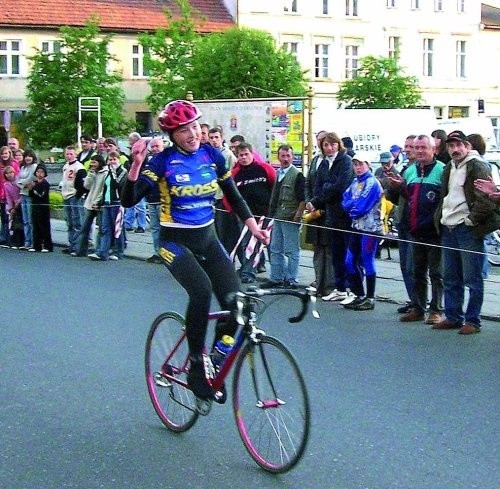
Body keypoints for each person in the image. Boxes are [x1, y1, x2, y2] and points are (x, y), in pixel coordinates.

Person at [121, 100, 269, 400]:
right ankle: (196, 367)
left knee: (237, 303)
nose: (191, 134)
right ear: (171, 134)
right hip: (174, 242)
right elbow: (128, 199)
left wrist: (252, 226)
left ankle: (216, 359)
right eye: (183, 130)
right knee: (201, 291)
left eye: (194, 127)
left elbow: (235, 197)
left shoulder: (213, 156)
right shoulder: (163, 162)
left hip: (208, 239)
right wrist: (136, 164)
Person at [433, 130, 499, 334]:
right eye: (451, 146)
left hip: (466, 228)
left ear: (468, 146)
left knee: (473, 277)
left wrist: (471, 220)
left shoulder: (477, 165)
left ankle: (473, 320)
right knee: (450, 276)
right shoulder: (450, 167)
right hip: (449, 226)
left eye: (458, 145)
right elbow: (445, 195)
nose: (454, 149)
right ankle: (453, 316)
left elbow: (486, 199)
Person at [388, 134, 445, 325]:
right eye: (416, 147)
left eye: (423, 148)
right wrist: (397, 188)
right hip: (414, 229)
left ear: (433, 150)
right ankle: (418, 308)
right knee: (416, 271)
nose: (419, 151)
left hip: (435, 231)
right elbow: (406, 197)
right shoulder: (410, 171)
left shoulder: (442, 170)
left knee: (436, 273)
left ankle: (436, 310)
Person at [307, 132, 354, 302]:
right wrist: (316, 199)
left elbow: (341, 187)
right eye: (325, 145)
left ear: (338, 145)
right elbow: (318, 186)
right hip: (331, 215)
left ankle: (353, 289)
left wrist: (320, 196)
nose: (329, 147)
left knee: (349, 254)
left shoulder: (346, 161)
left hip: (345, 214)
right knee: (336, 253)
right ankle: (339, 288)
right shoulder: (324, 164)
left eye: (332, 144)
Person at [228, 142, 276, 283]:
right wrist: (235, 212)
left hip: (266, 214)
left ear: (252, 153)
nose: (244, 157)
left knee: (271, 245)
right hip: (247, 217)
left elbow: (274, 187)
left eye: (246, 154)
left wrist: (273, 210)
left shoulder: (265, 168)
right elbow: (229, 196)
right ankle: (248, 273)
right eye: (240, 155)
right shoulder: (235, 174)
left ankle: (278, 275)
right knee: (247, 244)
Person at [341, 153, 383, 310]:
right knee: (349, 261)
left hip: (371, 229)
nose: (358, 167)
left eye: (361, 164)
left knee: (367, 260)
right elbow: (345, 201)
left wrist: (351, 205)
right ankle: (359, 294)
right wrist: (351, 204)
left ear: (368, 165)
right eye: (356, 164)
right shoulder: (354, 182)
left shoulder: (372, 182)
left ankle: (370, 298)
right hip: (356, 227)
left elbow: (360, 207)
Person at [262, 144, 305, 288]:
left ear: (292, 157)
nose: (285, 159)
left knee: (292, 250)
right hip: (277, 216)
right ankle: (276, 278)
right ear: (278, 157)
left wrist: (298, 215)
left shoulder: (297, 175)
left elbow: (303, 198)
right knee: (275, 248)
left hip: (290, 217)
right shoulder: (278, 173)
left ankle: (291, 279)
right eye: (283, 156)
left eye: (288, 156)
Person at [387, 135, 417, 314]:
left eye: (410, 146)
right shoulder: (404, 168)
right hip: (403, 221)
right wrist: (393, 186)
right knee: (405, 265)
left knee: (414, 266)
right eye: (405, 146)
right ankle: (413, 299)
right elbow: (395, 198)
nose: (406, 149)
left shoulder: (420, 169)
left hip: (415, 224)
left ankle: (419, 302)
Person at [304, 130, 335, 297]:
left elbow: (330, 188)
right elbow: (308, 183)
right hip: (314, 211)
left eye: (326, 141)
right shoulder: (316, 160)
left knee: (329, 250)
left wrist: (316, 202)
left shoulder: (334, 161)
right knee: (317, 249)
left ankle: (329, 285)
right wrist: (309, 202)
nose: (323, 144)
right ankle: (319, 281)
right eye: (320, 141)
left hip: (327, 210)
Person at [89, 151, 128, 261]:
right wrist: (99, 202)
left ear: (118, 160)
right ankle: (102, 252)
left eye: (114, 159)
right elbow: (105, 189)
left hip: (117, 204)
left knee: (117, 229)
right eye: (110, 160)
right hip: (107, 203)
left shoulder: (122, 171)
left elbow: (117, 184)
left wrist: (114, 171)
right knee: (105, 228)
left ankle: (118, 252)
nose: (112, 162)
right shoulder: (108, 173)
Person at [208, 126, 238, 254]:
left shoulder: (228, 155)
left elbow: (231, 176)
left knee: (224, 231)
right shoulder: (208, 154)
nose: (214, 140)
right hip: (211, 197)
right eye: (211, 138)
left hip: (223, 198)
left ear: (222, 138)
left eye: (216, 137)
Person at [75, 154, 108, 257]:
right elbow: (87, 186)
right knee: (84, 227)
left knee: (101, 228)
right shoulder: (93, 172)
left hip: (99, 203)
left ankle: (99, 250)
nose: (92, 164)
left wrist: (97, 202)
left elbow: (103, 189)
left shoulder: (105, 173)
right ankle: (80, 250)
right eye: (91, 162)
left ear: (100, 162)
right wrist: (90, 174)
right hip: (90, 202)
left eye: (95, 162)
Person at [60, 146, 87, 254]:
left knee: (77, 222)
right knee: (69, 222)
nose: (69, 156)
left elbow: (82, 184)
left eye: (71, 154)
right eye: (67, 154)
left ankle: (78, 246)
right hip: (66, 195)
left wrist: (77, 195)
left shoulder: (79, 167)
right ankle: (71, 244)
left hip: (74, 196)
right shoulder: (66, 166)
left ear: (75, 155)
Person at [144, 137, 164, 263]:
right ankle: (157, 252)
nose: (155, 148)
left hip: (163, 201)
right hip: (151, 200)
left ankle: (165, 254)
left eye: (157, 146)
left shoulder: (166, 160)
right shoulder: (148, 162)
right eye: (153, 146)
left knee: (165, 229)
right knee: (155, 228)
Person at [124, 132, 147, 234]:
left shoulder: (142, 151)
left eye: (130, 140)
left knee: (140, 205)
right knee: (130, 204)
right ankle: (128, 223)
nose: (129, 143)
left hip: (140, 179)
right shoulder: (132, 152)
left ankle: (141, 225)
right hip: (133, 179)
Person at [29, 163, 53, 252]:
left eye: (42, 172)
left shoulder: (46, 184)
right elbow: (30, 195)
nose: (39, 174)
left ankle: (47, 246)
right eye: (38, 172)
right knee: (35, 226)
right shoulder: (34, 183)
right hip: (35, 206)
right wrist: (31, 189)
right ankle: (36, 245)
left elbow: (42, 195)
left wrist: (33, 189)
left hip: (43, 208)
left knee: (44, 226)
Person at [17, 149, 37, 250]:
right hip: (23, 194)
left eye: (30, 156)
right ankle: (27, 242)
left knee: (30, 220)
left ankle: (33, 242)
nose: (27, 158)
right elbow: (17, 180)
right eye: (26, 156)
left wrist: (22, 183)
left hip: (29, 195)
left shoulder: (34, 167)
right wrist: (22, 184)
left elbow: (31, 179)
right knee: (25, 220)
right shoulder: (23, 167)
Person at [4, 165, 24, 249]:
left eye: (11, 172)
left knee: (22, 222)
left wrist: (19, 201)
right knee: (15, 223)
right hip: (14, 204)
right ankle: (15, 241)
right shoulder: (6, 184)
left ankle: (23, 241)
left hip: (22, 202)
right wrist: (10, 208)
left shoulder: (18, 181)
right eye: (7, 173)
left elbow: (23, 192)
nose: (9, 175)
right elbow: (8, 196)